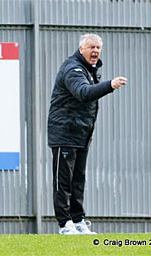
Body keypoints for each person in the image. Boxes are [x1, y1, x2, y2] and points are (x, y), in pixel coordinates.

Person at [47, 34, 127, 235]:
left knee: (78, 180)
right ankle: (65, 224)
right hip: (65, 133)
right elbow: (83, 93)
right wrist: (110, 85)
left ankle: (78, 220)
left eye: (99, 47)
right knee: (63, 181)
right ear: (81, 48)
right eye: (92, 47)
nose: (96, 51)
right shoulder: (73, 69)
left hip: (81, 134)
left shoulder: (89, 70)